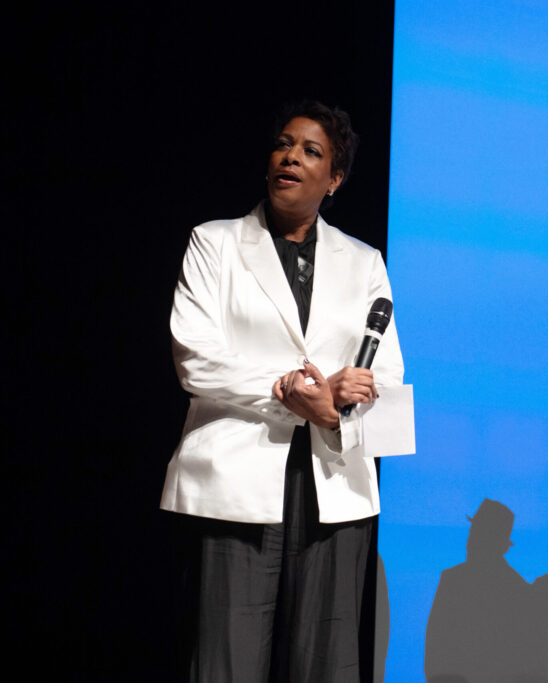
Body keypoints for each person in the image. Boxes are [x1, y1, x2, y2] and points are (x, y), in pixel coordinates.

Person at [161, 101, 403, 682]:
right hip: (236, 477)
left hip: (335, 483)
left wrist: (335, 410)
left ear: (335, 179)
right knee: (228, 658)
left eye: (311, 151)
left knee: (328, 661)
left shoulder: (365, 262)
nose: (291, 156)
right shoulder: (214, 243)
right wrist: (292, 392)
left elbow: (387, 380)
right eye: (283, 144)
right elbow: (196, 357)